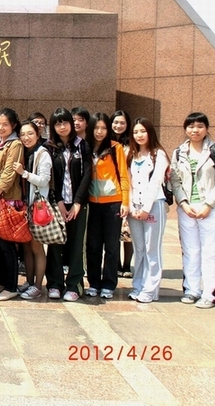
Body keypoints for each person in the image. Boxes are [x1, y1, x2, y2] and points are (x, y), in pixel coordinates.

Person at [170, 112, 215, 309]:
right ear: (185, 129)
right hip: (187, 208)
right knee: (190, 250)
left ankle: (210, 294)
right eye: (190, 126)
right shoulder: (179, 152)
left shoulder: (214, 150)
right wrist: (183, 203)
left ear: (206, 128)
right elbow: (174, 180)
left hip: (210, 208)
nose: (195, 130)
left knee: (210, 251)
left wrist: (209, 204)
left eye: (199, 126)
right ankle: (191, 290)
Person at [45, 108, 91, 302]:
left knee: (76, 244)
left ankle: (74, 285)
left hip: (78, 204)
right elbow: (51, 178)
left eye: (65, 122)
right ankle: (55, 284)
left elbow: (87, 174)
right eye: (58, 123)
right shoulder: (49, 148)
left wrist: (78, 202)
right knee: (55, 243)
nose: (62, 127)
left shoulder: (82, 146)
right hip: (58, 203)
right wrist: (59, 202)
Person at [85, 112, 130, 300]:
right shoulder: (86, 147)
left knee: (111, 246)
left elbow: (124, 175)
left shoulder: (115, 148)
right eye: (96, 127)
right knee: (93, 246)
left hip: (113, 203)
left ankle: (109, 284)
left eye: (103, 128)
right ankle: (94, 283)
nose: (100, 132)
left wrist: (125, 201)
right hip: (92, 204)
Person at [126, 118, 169, 303]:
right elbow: (128, 183)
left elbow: (156, 182)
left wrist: (145, 208)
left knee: (152, 249)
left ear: (150, 132)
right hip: (134, 209)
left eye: (143, 131)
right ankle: (138, 286)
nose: (139, 135)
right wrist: (130, 207)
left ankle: (150, 290)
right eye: (136, 132)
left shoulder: (158, 154)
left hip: (153, 206)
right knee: (140, 249)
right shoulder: (131, 154)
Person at [0, 108, 24, 302]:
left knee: (7, 244)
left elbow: (9, 172)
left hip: (6, 199)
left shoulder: (15, 144)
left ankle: (11, 286)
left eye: (5, 124)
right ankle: (1, 282)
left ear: (13, 126)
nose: (0, 127)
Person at [13, 120, 50, 300]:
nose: (26, 137)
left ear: (37, 134)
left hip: (36, 206)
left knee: (37, 247)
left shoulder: (43, 153)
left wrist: (24, 173)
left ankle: (38, 285)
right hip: (24, 206)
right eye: (23, 134)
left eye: (30, 134)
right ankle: (29, 282)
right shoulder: (23, 152)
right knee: (26, 247)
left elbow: (44, 180)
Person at [111, 109, 133, 278]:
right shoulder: (107, 142)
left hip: (129, 189)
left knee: (128, 231)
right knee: (114, 230)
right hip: (111, 191)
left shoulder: (132, 144)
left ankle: (127, 266)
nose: (118, 126)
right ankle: (116, 265)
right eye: (116, 122)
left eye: (122, 123)